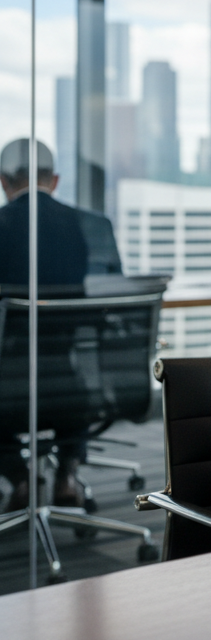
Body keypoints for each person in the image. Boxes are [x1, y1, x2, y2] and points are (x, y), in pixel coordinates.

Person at [0, 138, 123, 511]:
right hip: (74, 385)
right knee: (72, 375)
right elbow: (113, 306)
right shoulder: (93, 227)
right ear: (54, 180)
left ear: (4, 182)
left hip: (7, 388)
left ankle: (21, 478)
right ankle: (67, 473)